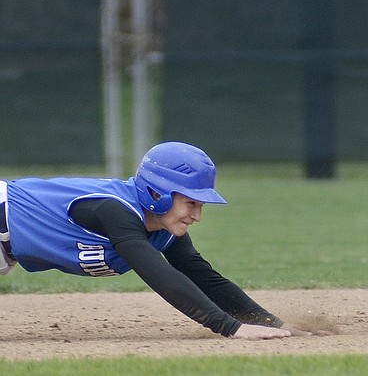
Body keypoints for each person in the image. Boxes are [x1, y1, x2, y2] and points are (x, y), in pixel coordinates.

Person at [0, 141, 314, 340]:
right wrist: (230, 327)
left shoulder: (163, 231)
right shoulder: (117, 212)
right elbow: (161, 277)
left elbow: (205, 279)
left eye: (200, 205)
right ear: (157, 194)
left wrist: (272, 323)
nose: (197, 216)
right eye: (191, 202)